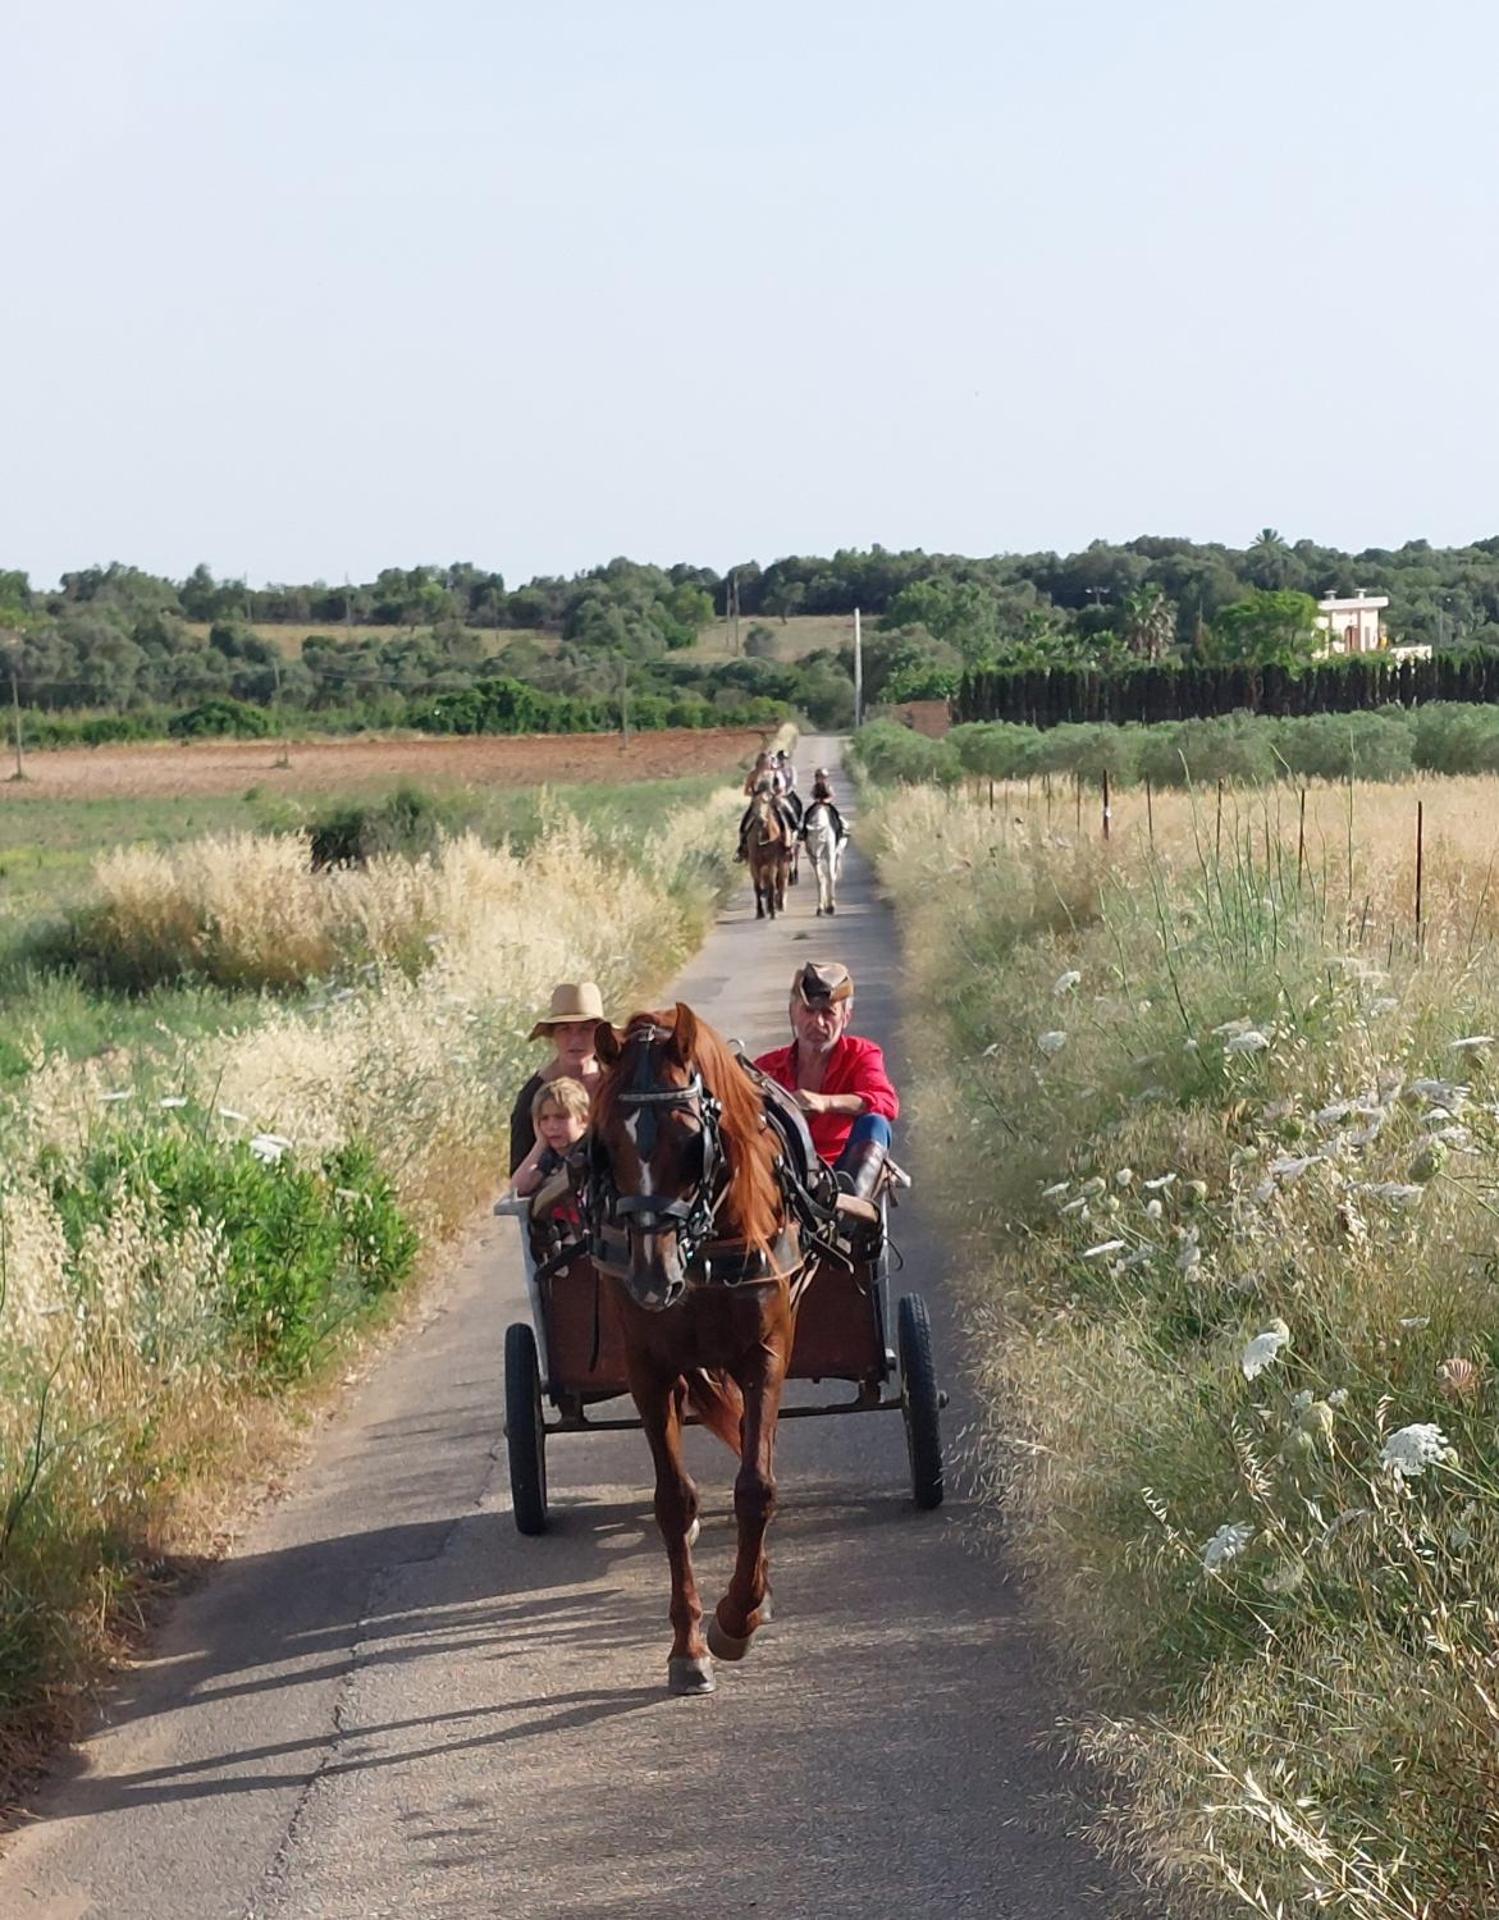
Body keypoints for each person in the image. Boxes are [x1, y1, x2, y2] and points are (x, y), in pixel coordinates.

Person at [753, 962, 898, 1199]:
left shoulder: (861, 1054)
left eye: (828, 1013)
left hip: (843, 1174)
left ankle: (847, 1219)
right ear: (793, 1012)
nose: (817, 1022)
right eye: (808, 1011)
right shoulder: (766, 1068)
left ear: (846, 1017)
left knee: (876, 1124)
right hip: (782, 1174)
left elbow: (887, 1102)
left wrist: (826, 1103)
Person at [509, 981, 605, 1174]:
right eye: (565, 1029)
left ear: (599, 1034)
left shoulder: (616, 1083)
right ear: (553, 1036)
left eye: (585, 1029)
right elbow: (519, 1172)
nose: (575, 1040)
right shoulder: (533, 1094)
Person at [510, 1076, 590, 1231]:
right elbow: (518, 1188)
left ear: (583, 1120)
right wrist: (540, 1143)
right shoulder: (550, 1157)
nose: (552, 1126)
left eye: (561, 1118)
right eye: (544, 1119)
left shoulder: (592, 1151)